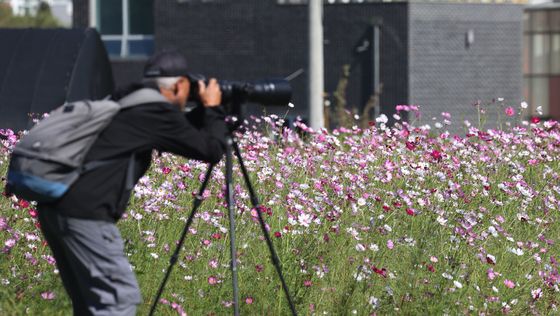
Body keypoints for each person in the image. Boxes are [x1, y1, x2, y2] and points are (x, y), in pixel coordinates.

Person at [36, 49, 227, 315]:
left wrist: (207, 113)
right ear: (180, 84)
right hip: (85, 213)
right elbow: (211, 151)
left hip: (53, 206)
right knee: (119, 300)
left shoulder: (126, 100)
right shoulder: (156, 112)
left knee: (90, 305)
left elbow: (179, 131)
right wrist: (214, 108)